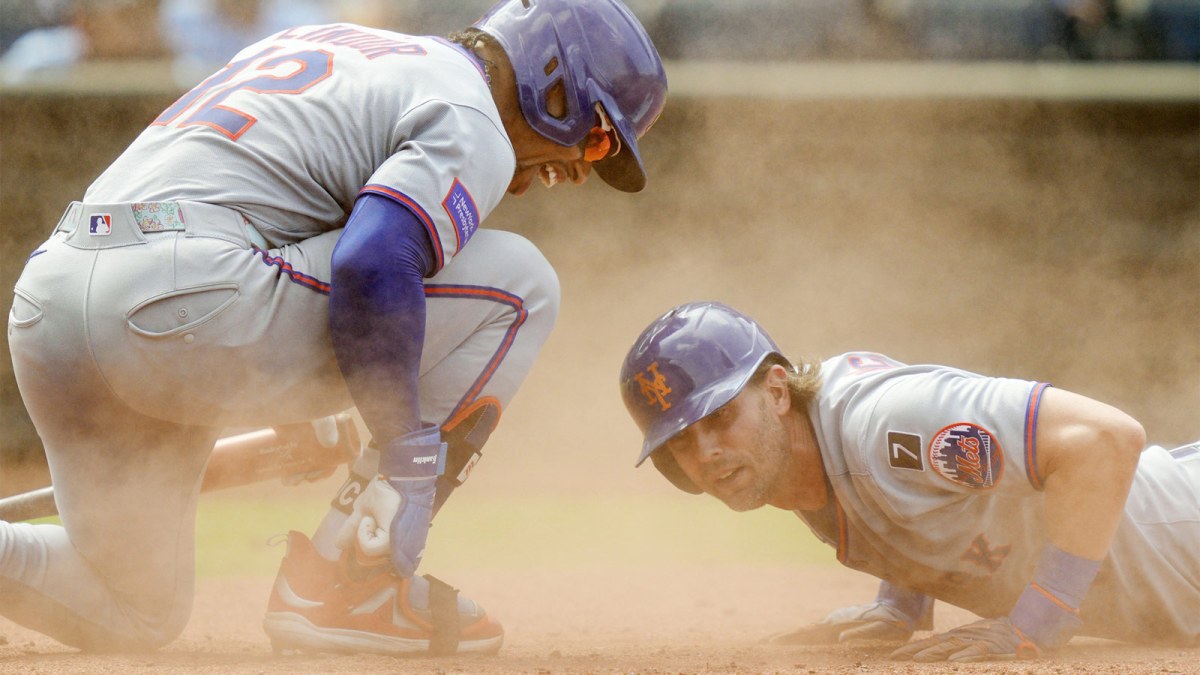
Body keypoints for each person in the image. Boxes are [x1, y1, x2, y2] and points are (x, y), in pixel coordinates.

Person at [1, 0, 666, 657]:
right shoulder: (473, 114)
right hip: (179, 302)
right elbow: (373, 261)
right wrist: (402, 446)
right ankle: (351, 582)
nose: (582, 169)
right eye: (600, 139)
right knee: (521, 287)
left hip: (53, 302)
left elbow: (289, 204)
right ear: (554, 83)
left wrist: (314, 388)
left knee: (132, 606)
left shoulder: (344, 46)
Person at [619, 301, 1199, 662]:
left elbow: (1105, 440)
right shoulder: (802, 458)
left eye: (718, 416)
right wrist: (900, 603)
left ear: (775, 391)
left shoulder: (883, 420)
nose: (708, 452)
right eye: (680, 442)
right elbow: (917, 496)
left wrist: (1039, 619)